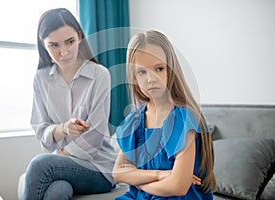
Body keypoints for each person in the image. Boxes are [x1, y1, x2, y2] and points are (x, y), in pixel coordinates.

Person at [20, 8, 116, 200]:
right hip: (62, 168)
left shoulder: (99, 75)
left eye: (70, 42)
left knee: (40, 165)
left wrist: (55, 159)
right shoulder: (41, 79)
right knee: (58, 191)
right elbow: (41, 132)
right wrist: (63, 129)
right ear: (43, 45)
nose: (63, 52)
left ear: (79, 36)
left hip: (99, 168)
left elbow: (95, 137)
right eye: (54, 45)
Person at [112, 30, 217, 199]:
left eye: (159, 68)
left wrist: (138, 180)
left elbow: (178, 186)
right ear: (134, 77)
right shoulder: (134, 121)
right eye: (142, 72)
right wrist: (159, 175)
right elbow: (118, 172)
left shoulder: (183, 119)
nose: (151, 79)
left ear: (171, 71)